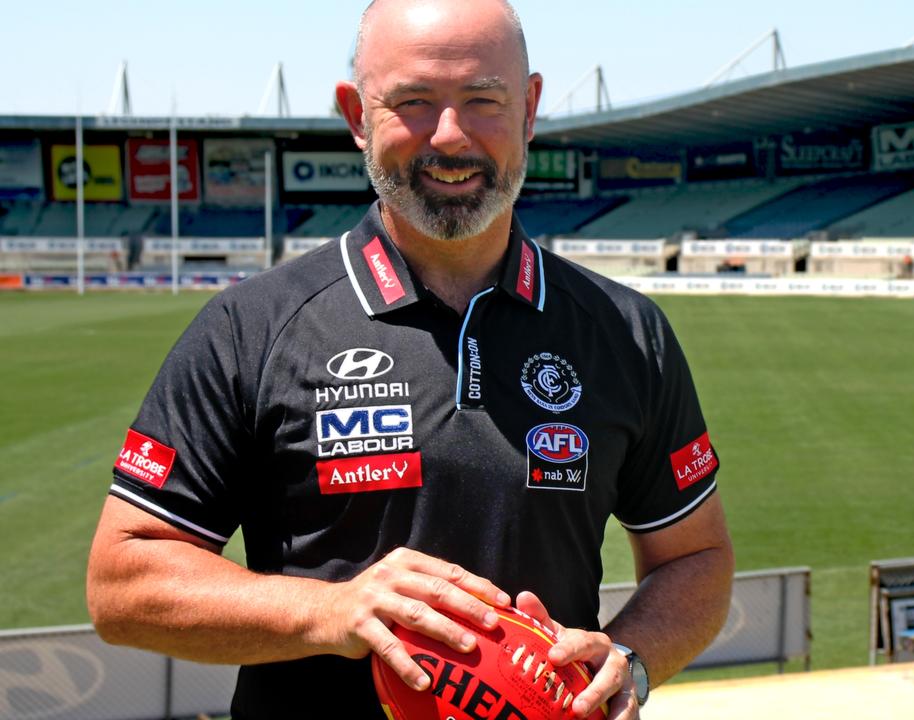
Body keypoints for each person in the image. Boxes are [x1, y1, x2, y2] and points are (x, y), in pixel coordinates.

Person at [85, 1, 734, 717]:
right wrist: (331, 612)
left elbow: (695, 559)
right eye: (414, 102)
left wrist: (633, 659)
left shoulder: (625, 331)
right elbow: (122, 585)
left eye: (482, 100)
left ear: (530, 108)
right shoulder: (251, 328)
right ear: (357, 115)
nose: (449, 137)